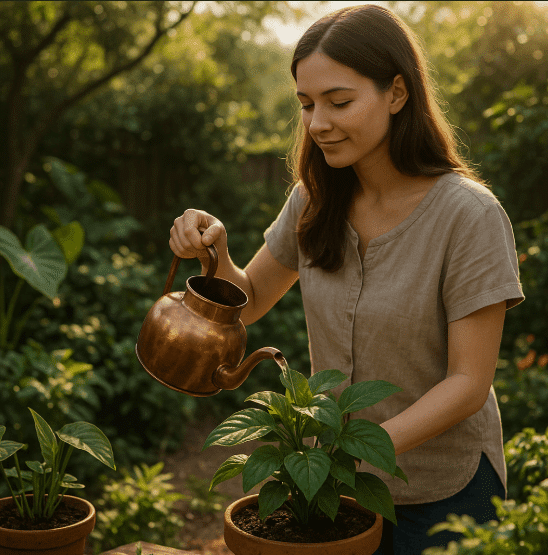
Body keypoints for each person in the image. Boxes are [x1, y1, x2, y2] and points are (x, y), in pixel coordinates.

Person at [169, 4, 524, 554]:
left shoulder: (469, 216)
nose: (317, 124)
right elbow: (252, 299)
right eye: (307, 105)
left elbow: (468, 384)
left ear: (397, 94)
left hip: (444, 493)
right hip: (338, 494)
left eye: (339, 102)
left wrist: (355, 451)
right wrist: (214, 252)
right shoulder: (314, 198)